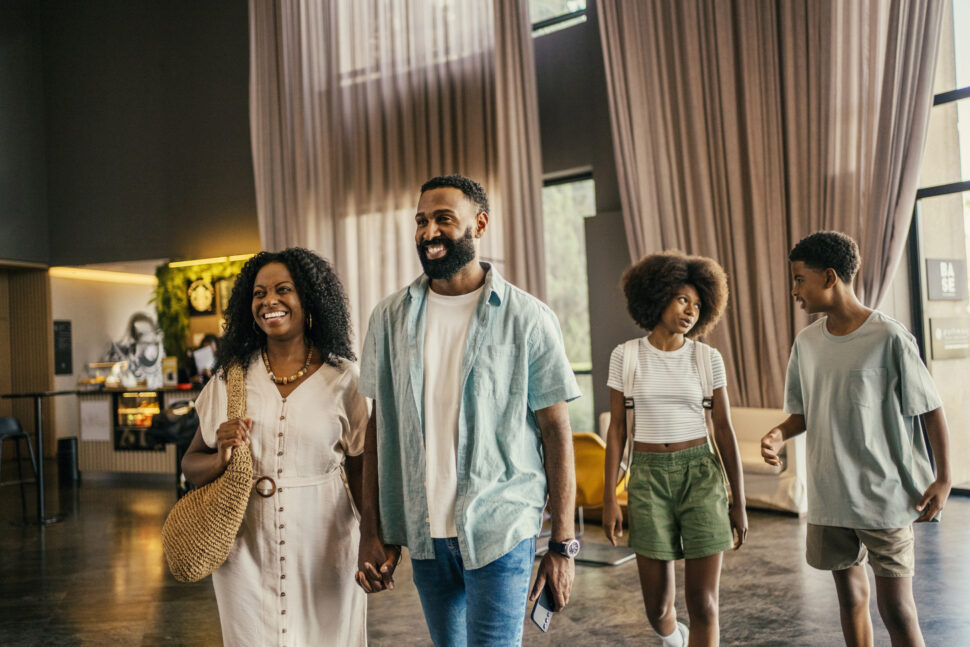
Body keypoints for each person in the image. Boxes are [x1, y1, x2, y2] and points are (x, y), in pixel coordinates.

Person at [355, 174, 581, 646]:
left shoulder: (528, 317)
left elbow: (557, 432)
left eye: (443, 219)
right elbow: (378, 429)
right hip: (423, 531)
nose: (429, 232)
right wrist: (372, 530)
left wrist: (563, 545)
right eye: (421, 221)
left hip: (502, 526)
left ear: (479, 224)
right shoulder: (389, 317)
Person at [761, 231, 951, 647]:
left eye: (799, 279)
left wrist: (943, 478)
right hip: (830, 498)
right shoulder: (806, 343)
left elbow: (931, 409)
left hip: (885, 498)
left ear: (829, 277)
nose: (794, 290)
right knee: (850, 599)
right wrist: (778, 434)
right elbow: (802, 414)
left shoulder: (890, 337)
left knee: (898, 609)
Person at [181, 248, 369, 647]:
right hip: (245, 546)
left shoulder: (345, 379)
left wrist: (375, 536)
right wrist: (221, 457)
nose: (269, 301)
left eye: (284, 290)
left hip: (327, 541)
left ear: (310, 300)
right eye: (258, 293)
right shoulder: (230, 379)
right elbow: (190, 465)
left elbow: (361, 469)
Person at [602, 250, 747, 647]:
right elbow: (616, 430)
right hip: (647, 478)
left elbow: (724, 430)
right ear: (658, 295)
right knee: (658, 608)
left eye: (698, 305)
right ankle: (674, 638)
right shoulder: (626, 355)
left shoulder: (707, 358)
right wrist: (609, 497)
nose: (690, 311)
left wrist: (739, 502)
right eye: (683, 299)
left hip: (701, 475)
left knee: (704, 604)